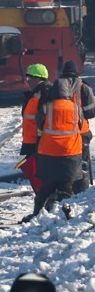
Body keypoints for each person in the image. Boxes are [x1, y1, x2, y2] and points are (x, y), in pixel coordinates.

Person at [31, 66, 91, 218]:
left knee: (45, 189)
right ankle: (67, 216)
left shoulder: (46, 107)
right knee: (68, 187)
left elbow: (39, 124)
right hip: (71, 153)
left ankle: (39, 215)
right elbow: (80, 124)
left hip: (48, 153)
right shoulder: (76, 108)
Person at [54, 60, 94, 193]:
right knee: (82, 163)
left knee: (63, 163)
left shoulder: (57, 86)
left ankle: (63, 190)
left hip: (60, 134)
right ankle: (82, 190)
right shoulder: (84, 87)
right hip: (81, 133)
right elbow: (90, 112)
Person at [18, 63, 51, 202]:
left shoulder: (44, 92)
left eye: (30, 77)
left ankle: (44, 203)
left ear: (38, 78)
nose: (27, 80)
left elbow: (44, 119)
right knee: (34, 174)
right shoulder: (35, 94)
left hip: (38, 143)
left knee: (39, 175)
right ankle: (42, 201)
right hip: (32, 141)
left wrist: (40, 139)